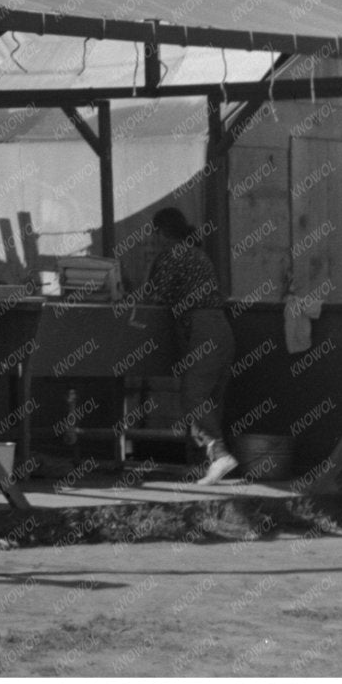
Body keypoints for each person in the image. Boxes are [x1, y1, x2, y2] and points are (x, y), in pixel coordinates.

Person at [145, 205, 239, 485]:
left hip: (202, 330)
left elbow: (156, 298)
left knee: (192, 395)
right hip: (222, 330)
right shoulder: (198, 254)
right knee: (211, 399)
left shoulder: (171, 255)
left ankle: (220, 455)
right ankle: (209, 464)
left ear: (160, 232)